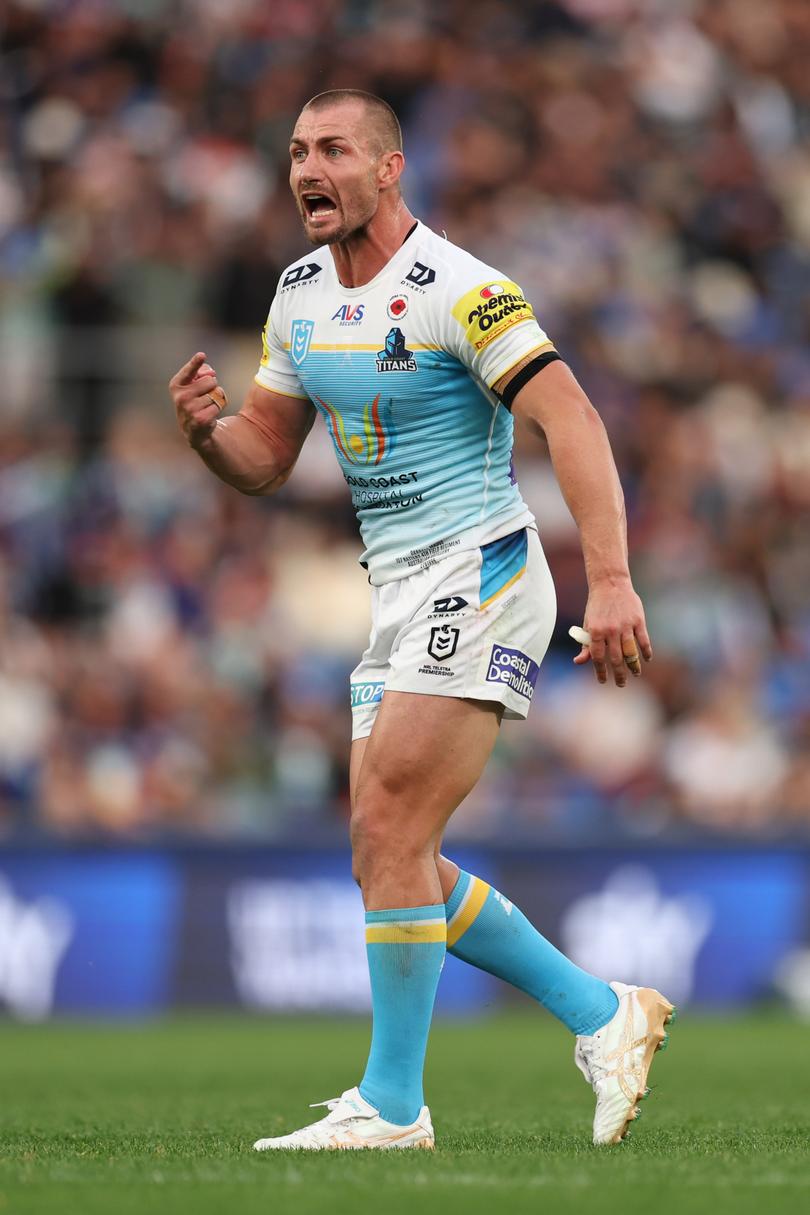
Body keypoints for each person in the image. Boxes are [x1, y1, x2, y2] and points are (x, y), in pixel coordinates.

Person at [169, 89, 674, 1151]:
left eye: (336, 150)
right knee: (386, 852)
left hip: (482, 570)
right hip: (397, 587)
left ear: (390, 168)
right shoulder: (298, 294)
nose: (309, 168)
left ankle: (395, 1106)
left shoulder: (461, 289)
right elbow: (267, 454)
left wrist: (614, 578)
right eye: (298, 150)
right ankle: (603, 1013)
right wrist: (211, 438)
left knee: (393, 829)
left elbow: (569, 415)